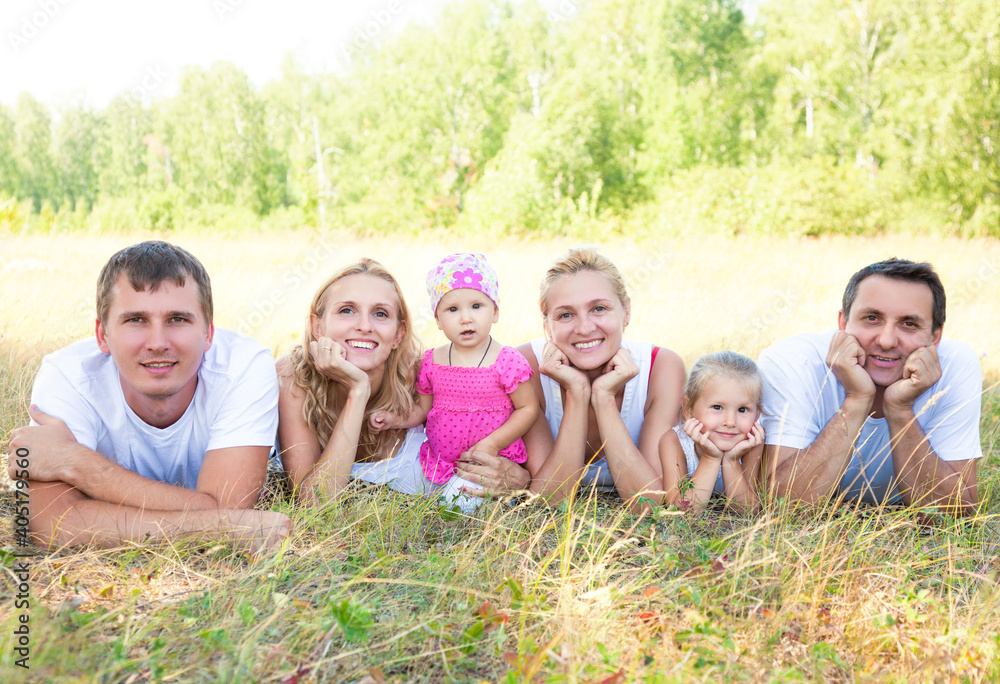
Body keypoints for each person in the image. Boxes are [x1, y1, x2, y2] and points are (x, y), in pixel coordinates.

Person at [7, 241, 291, 553]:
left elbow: (227, 506)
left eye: (177, 319)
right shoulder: (67, 376)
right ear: (102, 336)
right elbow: (50, 526)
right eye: (136, 320)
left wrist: (76, 463)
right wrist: (217, 526)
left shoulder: (244, 365)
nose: (157, 342)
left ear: (209, 332)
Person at [454, 248, 685, 506]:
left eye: (599, 308)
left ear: (626, 312)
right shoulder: (524, 365)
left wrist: (604, 397)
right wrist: (577, 392)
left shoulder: (661, 367)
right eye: (565, 315)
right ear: (547, 326)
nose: (584, 328)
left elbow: (647, 503)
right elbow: (549, 500)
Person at [757, 258, 982, 512]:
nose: (886, 341)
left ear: (935, 337)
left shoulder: (956, 364)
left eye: (909, 324)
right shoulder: (791, 361)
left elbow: (956, 514)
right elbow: (781, 506)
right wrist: (856, 400)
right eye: (872, 318)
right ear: (843, 324)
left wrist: (900, 410)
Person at [367, 253, 539, 512]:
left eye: (477, 306)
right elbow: (423, 409)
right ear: (437, 319)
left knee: (454, 507)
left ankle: (485, 504)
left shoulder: (506, 361)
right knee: (390, 484)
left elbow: (528, 409)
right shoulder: (432, 361)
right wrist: (396, 420)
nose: (466, 318)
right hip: (438, 459)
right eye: (452, 309)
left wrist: (491, 444)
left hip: (485, 463)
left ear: (495, 312)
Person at [277, 258, 439, 501]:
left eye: (380, 314)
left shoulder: (426, 376)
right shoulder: (294, 376)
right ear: (317, 327)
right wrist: (357, 391)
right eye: (347, 310)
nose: (364, 326)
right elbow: (314, 503)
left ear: (398, 334)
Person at [658, 351, 764, 511]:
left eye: (743, 409)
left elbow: (749, 511)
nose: (730, 422)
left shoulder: (751, 442)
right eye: (717, 407)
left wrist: (732, 461)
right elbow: (681, 513)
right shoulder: (674, 441)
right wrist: (711, 458)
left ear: (757, 415)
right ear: (688, 408)